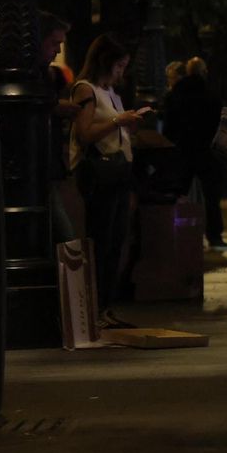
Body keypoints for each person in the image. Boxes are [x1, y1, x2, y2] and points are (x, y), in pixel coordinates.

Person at [70, 35, 150, 330]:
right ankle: (95, 308)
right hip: (100, 173)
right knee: (102, 241)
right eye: (119, 65)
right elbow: (85, 133)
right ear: (105, 62)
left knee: (116, 242)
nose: (121, 72)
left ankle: (105, 305)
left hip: (119, 172)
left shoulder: (110, 92)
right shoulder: (86, 90)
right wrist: (118, 121)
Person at [162, 56, 227, 251]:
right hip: (207, 149)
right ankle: (215, 236)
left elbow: (169, 126)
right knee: (212, 196)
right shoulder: (211, 93)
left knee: (177, 192)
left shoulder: (176, 94)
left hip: (183, 149)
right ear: (204, 72)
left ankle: (174, 231)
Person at [39, 11, 80, 244]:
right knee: (64, 236)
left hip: (47, 165)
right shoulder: (35, 76)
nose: (58, 51)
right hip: (37, 167)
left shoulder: (47, 75)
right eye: (55, 43)